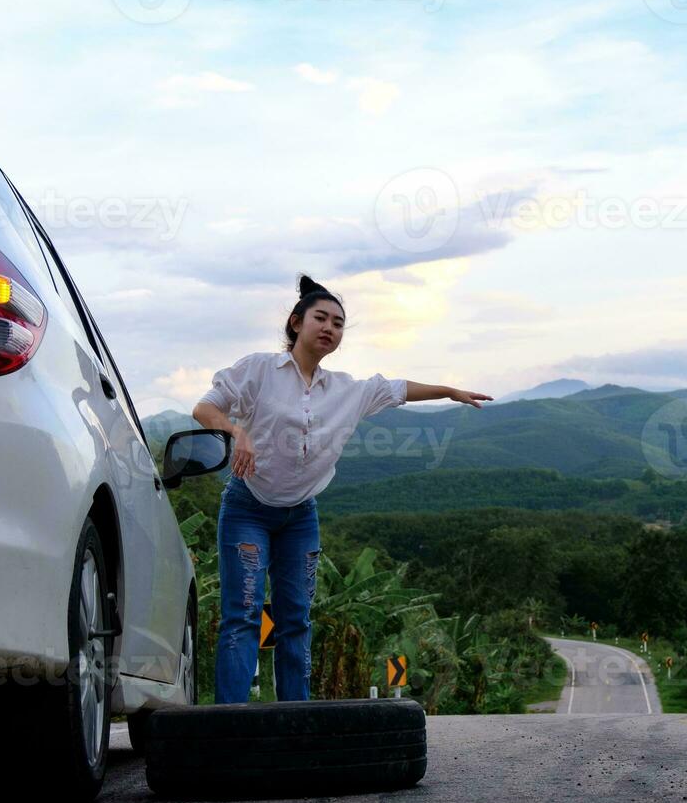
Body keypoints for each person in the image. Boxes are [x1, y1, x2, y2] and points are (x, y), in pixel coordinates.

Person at [191, 275, 492, 704]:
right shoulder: (258, 370)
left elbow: (400, 389)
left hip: (300, 517)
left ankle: (296, 720)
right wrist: (236, 431)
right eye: (320, 318)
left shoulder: (347, 390)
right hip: (248, 508)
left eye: (338, 322)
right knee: (242, 616)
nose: (329, 327)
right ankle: (231, 721)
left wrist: (449, 391)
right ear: (297, 322)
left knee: (295, 620)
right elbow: (205, 407)